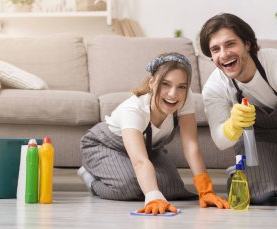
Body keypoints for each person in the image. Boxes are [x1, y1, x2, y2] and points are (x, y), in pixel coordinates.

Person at [199, 13, 277, 212]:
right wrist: (233, 125)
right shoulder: (215, 87)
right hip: (256, 141)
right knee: (263, 197)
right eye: (215, 49)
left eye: (230, 44)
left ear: (248, 44)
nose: (223, 54)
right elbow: (220, 140)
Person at [78, 52, 229, 215]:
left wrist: (206, 190)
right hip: (106, 146)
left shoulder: (185, 98)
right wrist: (153, 197)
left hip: (149, 149)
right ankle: (90, 177)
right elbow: (140, 161)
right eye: (166, 84)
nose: (173, 94)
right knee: (129, 186)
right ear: (152, 82)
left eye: (181, 86)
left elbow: (190, 145)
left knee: (172, 188)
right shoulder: (134, 109)